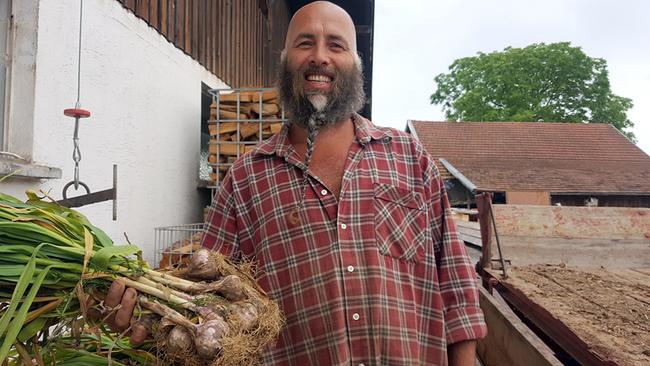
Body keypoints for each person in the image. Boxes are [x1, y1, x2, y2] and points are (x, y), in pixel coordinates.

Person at [107, 2, 487, 365]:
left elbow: (456, 285)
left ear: (356, 64)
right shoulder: (245, 179)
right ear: (285, 61)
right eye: (305, 43)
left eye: (335, 45)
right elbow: (211, 297)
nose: (319, 56)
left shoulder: (409, 157)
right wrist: (151, 309)